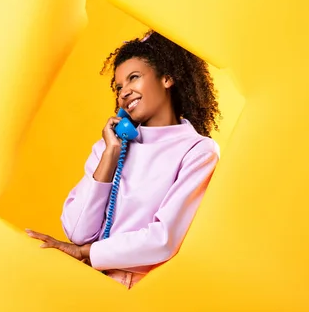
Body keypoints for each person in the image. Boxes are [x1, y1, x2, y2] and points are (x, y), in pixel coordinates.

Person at [25, 30, 222, 289]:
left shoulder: (198, 151)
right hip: (86, 284)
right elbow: (77, 232)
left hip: (141, 293)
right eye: (119, 87)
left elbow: (164, 238)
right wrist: (110, 155)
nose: (124, 92)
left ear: (167, 78)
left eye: (134, 78)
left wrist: (86, 253)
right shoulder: (110, 146)